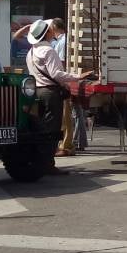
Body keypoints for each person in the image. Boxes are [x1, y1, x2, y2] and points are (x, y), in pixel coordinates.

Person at [21, 19, 92, 174]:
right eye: (49, 29)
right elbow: (56, 74)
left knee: (42, 129)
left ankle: (42, 162)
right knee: (51, 130)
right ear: (46, 34)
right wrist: (78, 76)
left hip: (38, 91)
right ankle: (48, 165)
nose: (52, 30)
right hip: (51, 93)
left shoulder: (31, 52)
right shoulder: (48, 50)